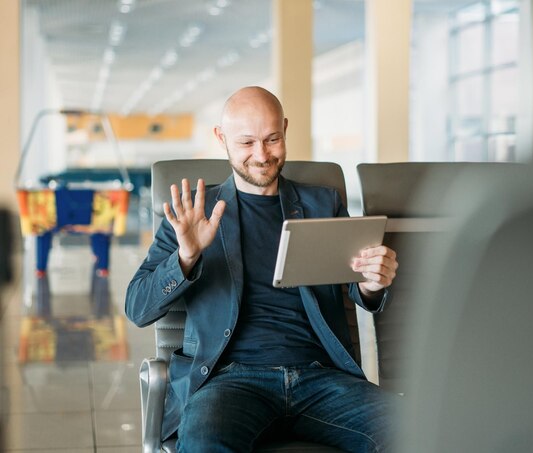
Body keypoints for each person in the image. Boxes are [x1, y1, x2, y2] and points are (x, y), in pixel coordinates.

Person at [126, 86, 400, 452]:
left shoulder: (322, 203)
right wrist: (186, 258)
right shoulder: (194, 211)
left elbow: (358, 288)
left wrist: (372, 282)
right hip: (229, 379)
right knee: (207, 444)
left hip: (322, 378)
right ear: (221, 139)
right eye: (246, 143)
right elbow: (137, 307)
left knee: (418, 432)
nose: (262, 155)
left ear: (285, 129)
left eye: (272, 139)